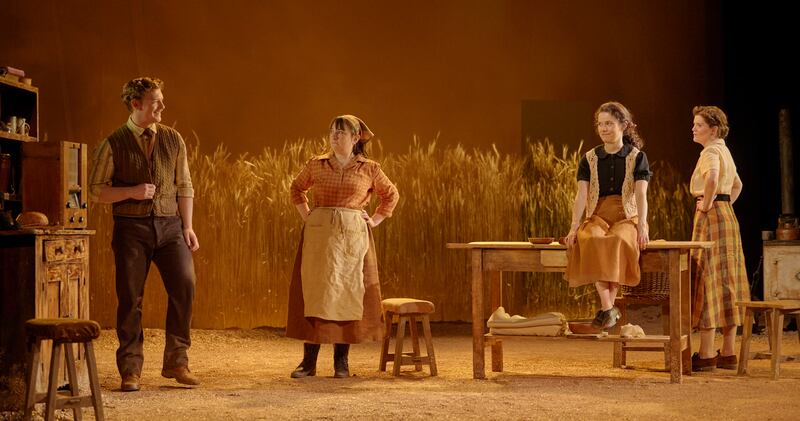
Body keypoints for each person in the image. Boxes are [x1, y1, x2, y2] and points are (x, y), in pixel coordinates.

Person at [89, 77, 200, 391]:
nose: (162, 106)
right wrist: (133, 192)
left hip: (170, 226)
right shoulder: (113, 142)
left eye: (162, 100)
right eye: (156, 101)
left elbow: (185, 185)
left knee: (185, 285)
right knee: (130, 297)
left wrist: (188, 226)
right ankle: (130, 369)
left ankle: (177, 361)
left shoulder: (174, 139)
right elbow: (95, 191)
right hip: (131, 228)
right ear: (136, 104)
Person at [286, 115, 399, 378]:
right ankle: (308, 362)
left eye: (341, 132)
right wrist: (308, 216)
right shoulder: (317, 164)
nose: (335, 136)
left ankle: (341, 362)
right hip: (320, 237)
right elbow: (296, 189)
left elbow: (391, 194)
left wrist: (376, 219)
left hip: (352, 236)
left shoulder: (369, 168)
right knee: (316, 292)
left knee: (347, 292)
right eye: (332, 132)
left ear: (356, 137)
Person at [565, 102, 651, 330]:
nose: (603, 128)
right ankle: (608, 308)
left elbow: (641, 195)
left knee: (617, 241)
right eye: (600, 124)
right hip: (597, 214)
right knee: (591, 239)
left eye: (609, 124)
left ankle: (607, 310)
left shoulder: (637, 157)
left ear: (623, 125)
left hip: (626, 215)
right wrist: (574, 226)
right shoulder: (589, 158)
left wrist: (642, 225)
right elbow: (581, 195)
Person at [688, 105, 749, 372]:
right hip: (727, 216)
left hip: (711, 217)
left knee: (708, 277)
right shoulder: (725, 150)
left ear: (713, 130)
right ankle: (727, 352)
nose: (693, 128)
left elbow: (712, 177)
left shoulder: (711, 151)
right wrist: (725, 203)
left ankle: (705, 354)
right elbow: (737, 185)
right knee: (728, 280)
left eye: (699, 125)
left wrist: (707, 203)